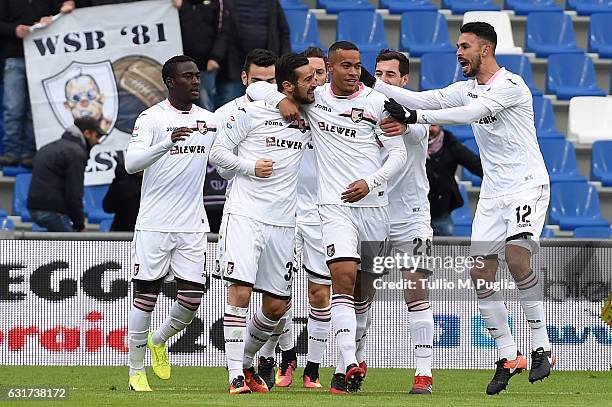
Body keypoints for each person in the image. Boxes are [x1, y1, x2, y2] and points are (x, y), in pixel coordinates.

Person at [361, 22, 553, 395]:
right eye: (456, 46)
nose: (458, 52)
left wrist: (414, 118)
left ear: (485, 49)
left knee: (516, 257)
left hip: (526, 184)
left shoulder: (511, 86)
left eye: (464, 46)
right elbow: (422, 99)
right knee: (480, 273)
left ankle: (542, 346)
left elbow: (465, 115)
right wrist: (370, 81)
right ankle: (509, 354)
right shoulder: (464, 88)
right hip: (494, 193)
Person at [246, 41, 408, 394]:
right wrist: (283, 100)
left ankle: (353, 359)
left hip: (374, 207)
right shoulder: (314, 101)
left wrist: (371, 181)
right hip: (334, 210)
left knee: (364, 295)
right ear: (330, 69)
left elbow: (398, 156)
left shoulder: (377, 104)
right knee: (343, 280)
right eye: (345, 66)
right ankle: (345, 363)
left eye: (357, 65)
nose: (353, 72)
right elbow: (257, 86)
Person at [209, 52, 316, 395]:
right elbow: (218, 153)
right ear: (287, 86)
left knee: (276, 305)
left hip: (285, 223)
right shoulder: (249, 113)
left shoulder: (310, 115)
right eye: (308, 79)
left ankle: (245, 361)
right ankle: (234, 377)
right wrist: (250, 167)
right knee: (240, 291)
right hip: (245, 213)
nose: (315, 84)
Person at [124, 55, 218, 392]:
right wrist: (168, 143)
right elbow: (131, 164)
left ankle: (159, 340)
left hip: (192, 224)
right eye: (188, 77)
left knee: (192, 301)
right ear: (169, 82)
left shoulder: (210, 121)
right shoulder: (151, 119)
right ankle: (136, 371)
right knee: (145, 297)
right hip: (153, 224)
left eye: (197, 76)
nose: (195, 81)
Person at [256, 46, 330, 390]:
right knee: (277, 295)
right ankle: (274, 357)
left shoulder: (332, 105)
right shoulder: (278, 103)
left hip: (320, 214)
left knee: (319, 294)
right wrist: (278, 101)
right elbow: (257, 86)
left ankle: (312, 368)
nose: (315, 80)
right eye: (309, 75)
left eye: (319, 73)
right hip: (282, 212)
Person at [369, 49, 435, 394]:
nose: (382, 80)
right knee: (360, 294)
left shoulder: (417, 116)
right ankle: (356, 362)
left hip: (412, 219)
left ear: (404, 80)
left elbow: (413, 128)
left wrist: (407, 119)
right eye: (378, 73)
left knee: (416, 290)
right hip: (370, 215)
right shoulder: (362, 110)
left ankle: (423, 372)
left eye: (390, 75)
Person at [0, 0, 75, 168]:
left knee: (34, 109)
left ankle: (28, 153)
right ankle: (11, 152)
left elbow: (63, 13)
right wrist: (14, 30)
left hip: (41, 59)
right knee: (13, 108)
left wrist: (53, 18)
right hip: (15, 57)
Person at [27, 116, 105, 232]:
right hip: (52, 211)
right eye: (97, 135)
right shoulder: (75, 153)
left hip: (34, 208)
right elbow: (74, 193)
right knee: (73, 248)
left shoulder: (49, 147)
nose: (98, 141)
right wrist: (80, 225)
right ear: (87, 133)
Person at [215, 0, 290, 109]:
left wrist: (284, 62)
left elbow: (284, 32)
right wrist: (216, 56)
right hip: (232, 66)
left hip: (266, 68)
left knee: (268, 110)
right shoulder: (227, 2)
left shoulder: (272, 3)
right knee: (229, 108)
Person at [426, 124, 483, 236]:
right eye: (424, 126)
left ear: (441, 126)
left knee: (445, 251)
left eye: (432, 125)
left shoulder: (451, 144)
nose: (428, 129)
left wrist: (495, 178)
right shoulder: (410, 144)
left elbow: (476, 165)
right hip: (413, 211)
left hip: (441, 211)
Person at [178, 0, 231, 111]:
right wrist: (177, 7)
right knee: (180, 104)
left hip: (205, 64)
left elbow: (223, 31)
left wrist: (215, 57)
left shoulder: (218, 2)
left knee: (204, 104)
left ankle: (207, 128)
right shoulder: (178, 3)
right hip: (179, 64)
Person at [102, 154, 142, 231]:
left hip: (148, 235)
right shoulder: (124, 182)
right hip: (122, 236)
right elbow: (108, 208)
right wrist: (119, 183)